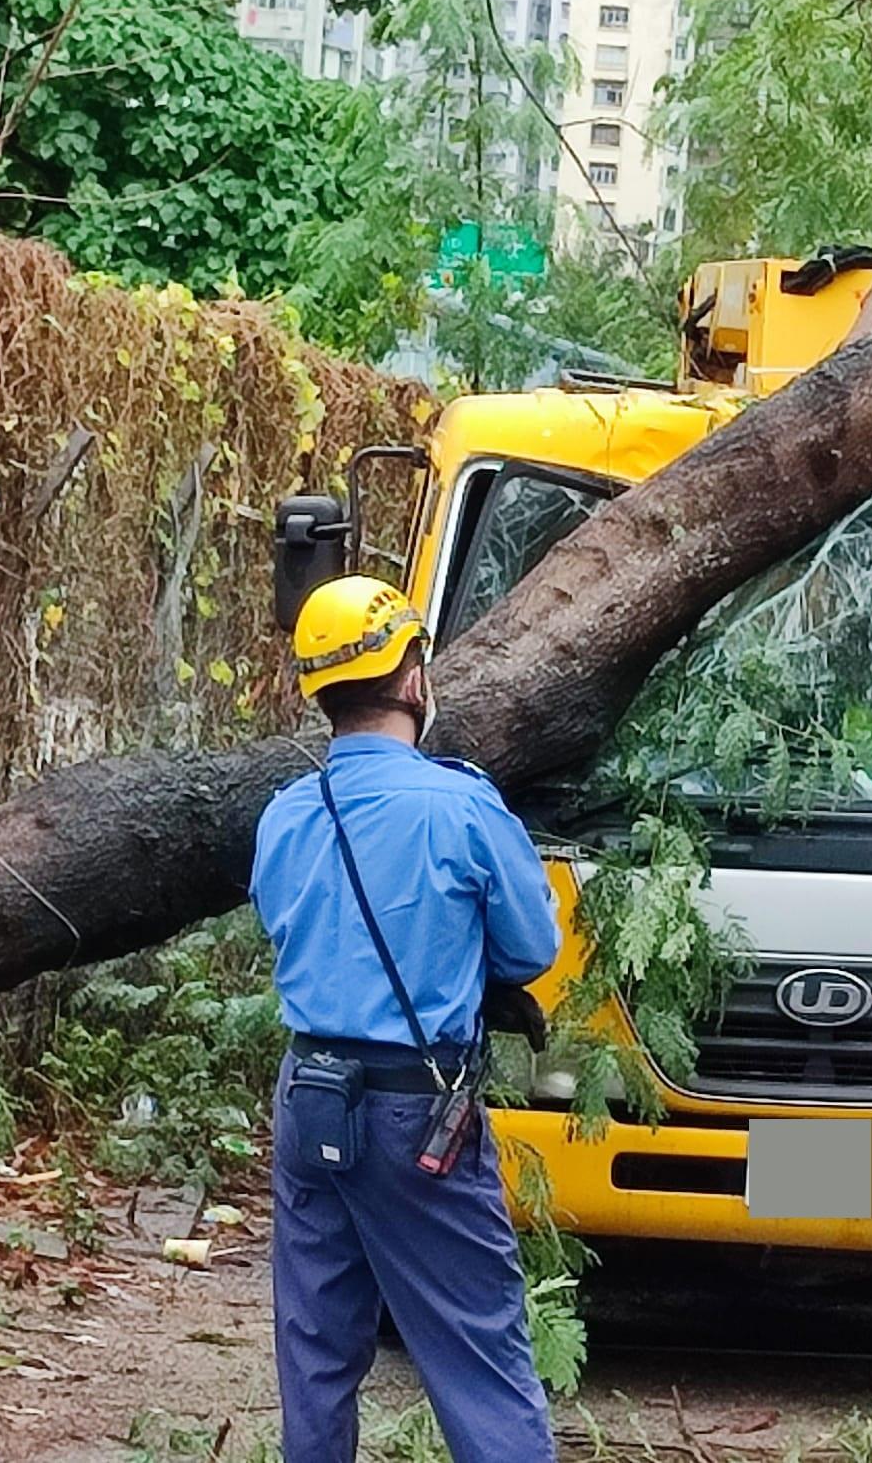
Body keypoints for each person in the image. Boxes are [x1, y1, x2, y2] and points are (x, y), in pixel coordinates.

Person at [249, 574, 561, 1462]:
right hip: (416, 1115)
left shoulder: (285, 816)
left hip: (309, 1100)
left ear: (321, 693)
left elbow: (283, 924)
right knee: (477, 1352)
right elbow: (531, 947)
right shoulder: (459, 806)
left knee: (315, 1350)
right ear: (414, 676)